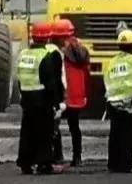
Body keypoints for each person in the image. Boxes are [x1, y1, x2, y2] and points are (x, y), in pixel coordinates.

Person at [16, 22, 63, 175]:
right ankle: (44, 163)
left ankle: (25, 163)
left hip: (27, 98)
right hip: (42, 99)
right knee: (44, 133)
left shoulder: (23, 54)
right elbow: (51, 82)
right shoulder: (45, 56)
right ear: (48, 39)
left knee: (27, 132)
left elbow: (19, 78)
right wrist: (56, 103)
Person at [104, 29, 132, 174]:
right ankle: (126, 165)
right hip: (130, 103)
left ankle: (113, 164)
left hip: (113, 103)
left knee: (115, 134)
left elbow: (106, 80)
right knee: (128, 135)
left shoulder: (111, 62)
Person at [54, 18, 89, 167]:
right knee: (74, 127)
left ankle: (58, 156)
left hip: (63, 95)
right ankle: (77, 157)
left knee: (54, 126)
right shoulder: (82, 49)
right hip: (76, 95)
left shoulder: (57, 51)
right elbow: (87, 73)